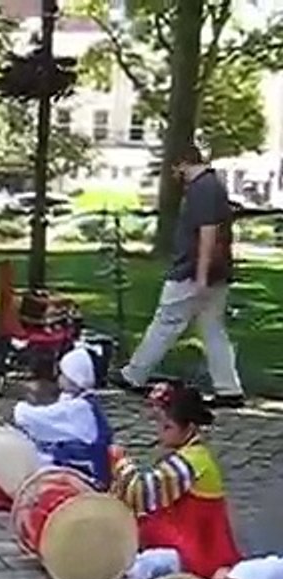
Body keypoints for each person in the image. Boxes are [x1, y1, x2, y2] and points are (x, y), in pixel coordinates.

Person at [115, 144, 243, 408]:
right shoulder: (215, 185)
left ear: (183, 163)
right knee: (213, 329)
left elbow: (207, 233)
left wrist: (201, 275)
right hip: (216, 272)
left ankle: (134, 375)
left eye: (174, 168)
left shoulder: (202, 188)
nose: (174, 174)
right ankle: (228, 389)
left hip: (191, 272)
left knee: (165, 322)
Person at [109, 383, 241, 579]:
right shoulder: (192, 454)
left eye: (168, 427)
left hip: (195, 552)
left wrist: (120, 461)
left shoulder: (192, 461)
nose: (160, 432)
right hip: (184, 538)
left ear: (189, 428)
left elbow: (141, 493)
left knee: (139, 563)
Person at [13, 346, 114, 489]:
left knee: (31, 458)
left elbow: (41, 418)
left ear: (74, 378)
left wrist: (21, 409)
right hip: (81, 460)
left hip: (86, 470)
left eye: (63, 374)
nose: (58, 377)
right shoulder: (81, 402)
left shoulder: (79, 408)